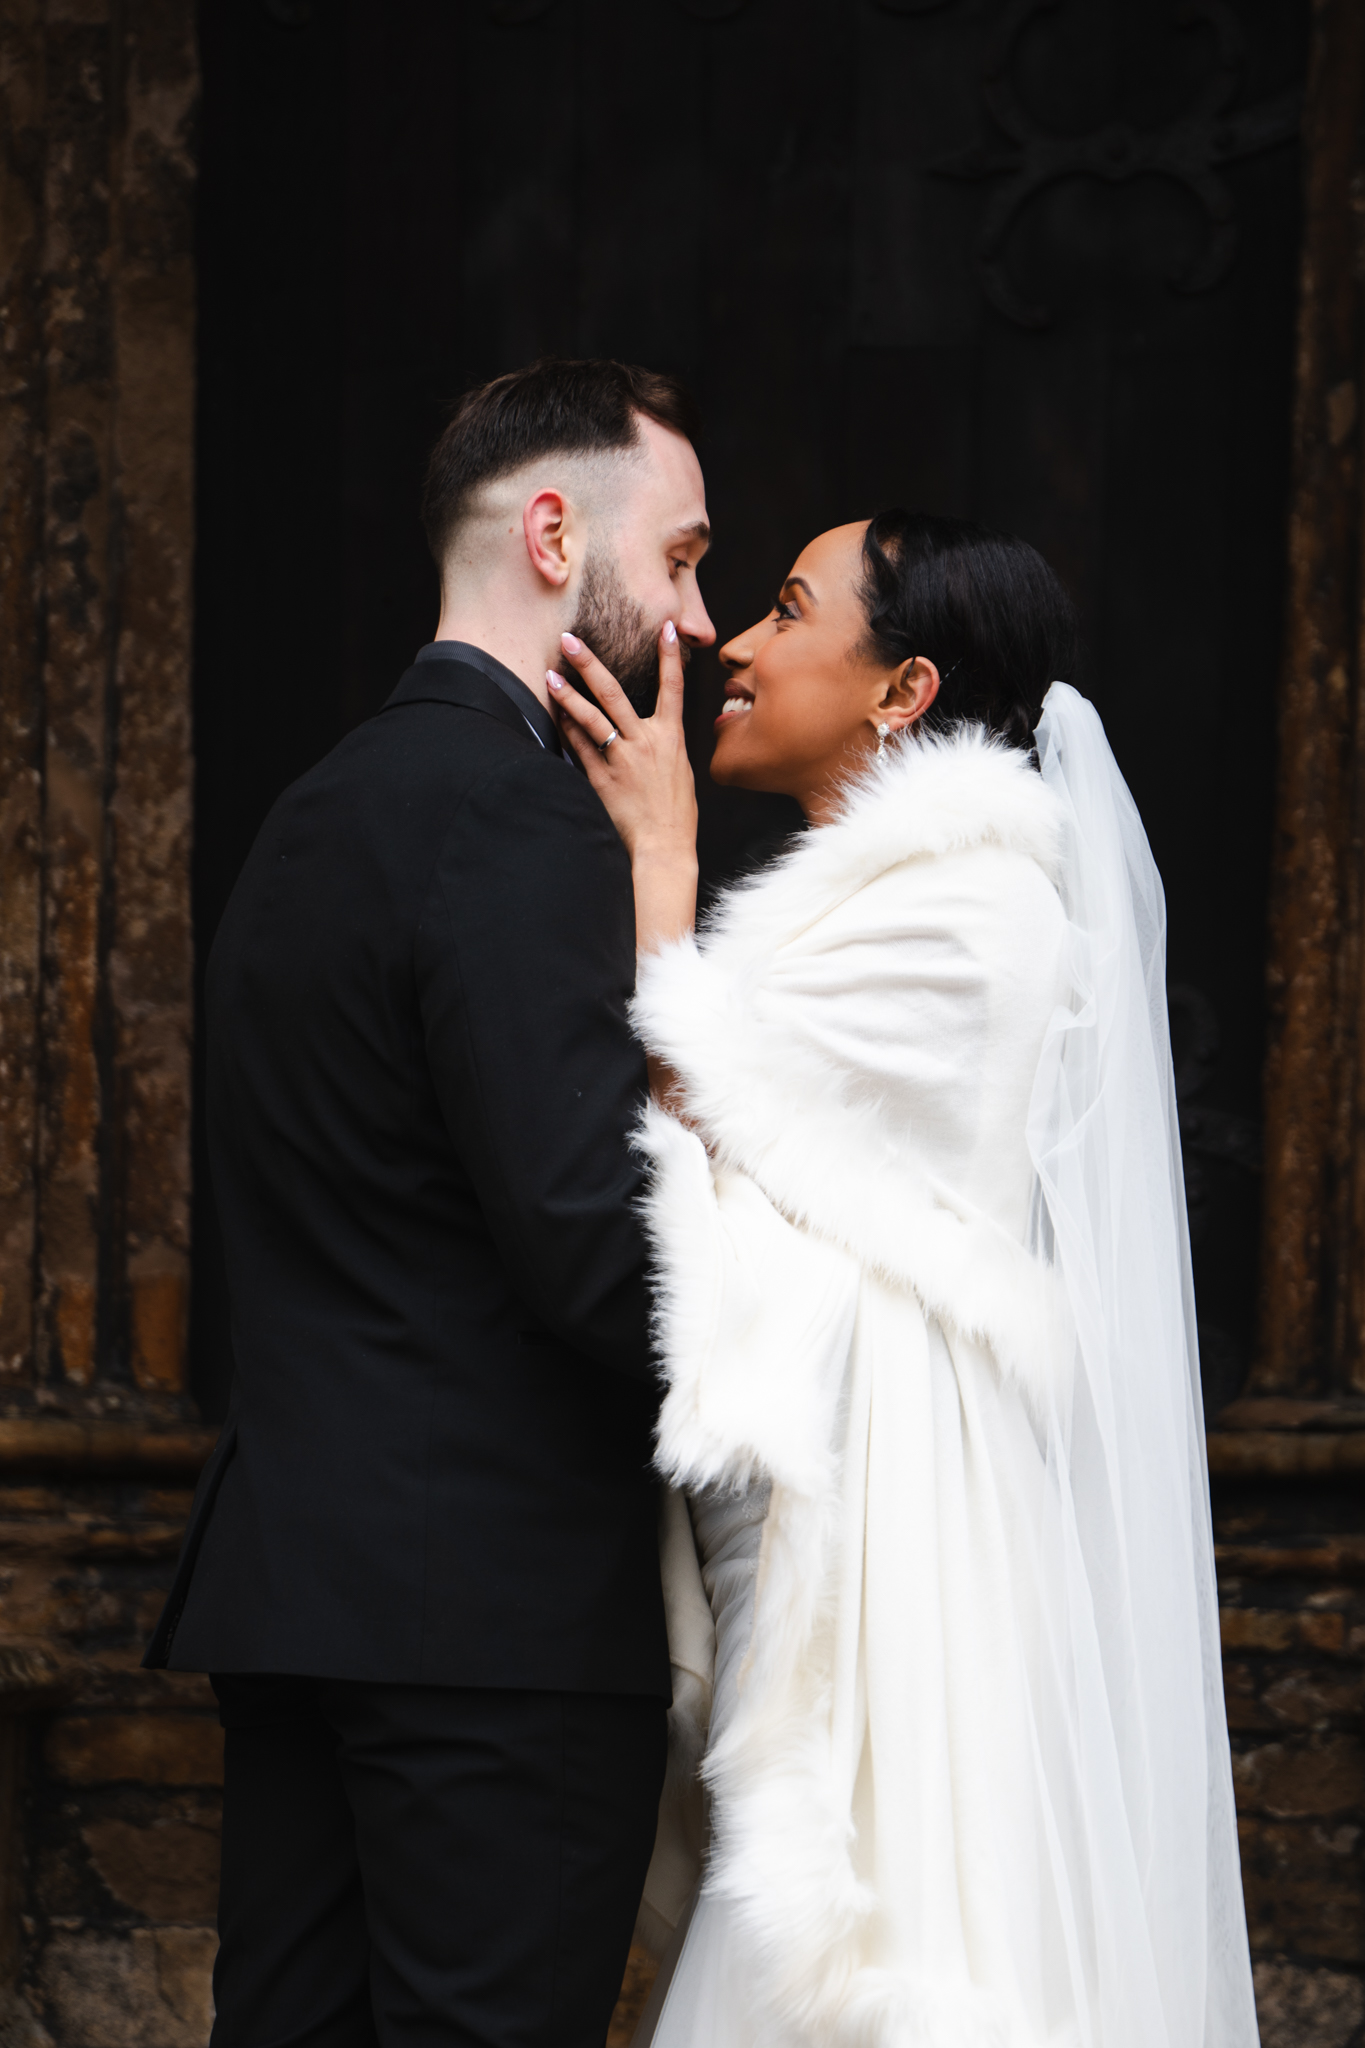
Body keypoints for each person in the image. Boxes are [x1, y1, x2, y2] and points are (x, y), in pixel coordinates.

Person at [549, 512, 1259, 2048]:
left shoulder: (975, 903)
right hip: (832, 1496)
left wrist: (660, 855)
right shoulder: (865, 895)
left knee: (877, 1927)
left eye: (788, 610)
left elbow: (696, 1116)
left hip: (899, 1522)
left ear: (903, 688)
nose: (731, 642)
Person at [143, 357, 715, 2048]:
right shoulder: (521, 817)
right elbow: (597, 1256)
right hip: (494, 1621)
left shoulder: (314, 810)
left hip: (302, 1583)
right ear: (554, 530)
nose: (694, 618)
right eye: (679, 558)